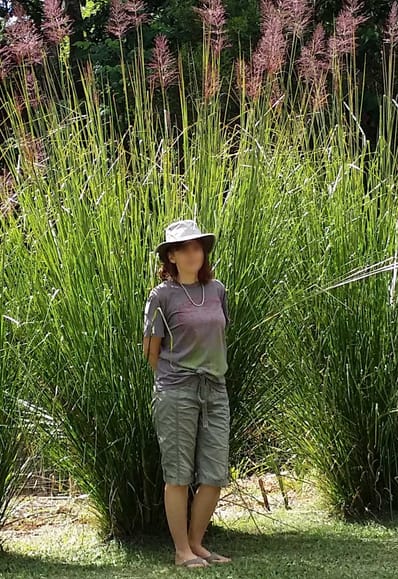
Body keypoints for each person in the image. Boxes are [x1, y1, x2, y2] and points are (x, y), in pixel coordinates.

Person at [142, 219, 232, 569]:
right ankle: (182, 552)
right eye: (185, 248)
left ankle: (197, 543)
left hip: (216, 389)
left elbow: (221, 335)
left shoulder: (218, 290)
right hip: (177, 390)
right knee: (178, 473)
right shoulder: (161, 295)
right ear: (172, 256)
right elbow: (151, 351)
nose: (194, 253)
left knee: (214, 472)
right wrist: (174, 378)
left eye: (198, 247)